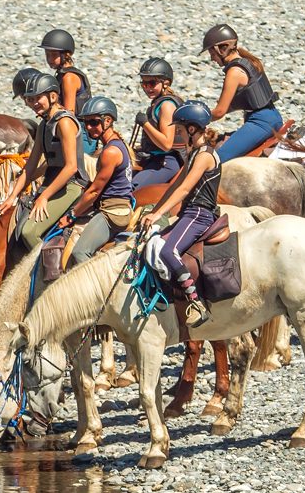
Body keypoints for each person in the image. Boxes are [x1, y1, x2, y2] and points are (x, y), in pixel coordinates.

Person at [134, 100, 222, 328]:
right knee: (151, 244)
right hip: (189, 213)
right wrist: (154, 210)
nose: (179, 136)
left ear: (192, 129)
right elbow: (174, 186)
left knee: (167, 251)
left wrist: (158, 215)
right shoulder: (193, 153)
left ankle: (196, 303)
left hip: (200, 214)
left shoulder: (204, 155)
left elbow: (184, 189)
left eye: (181, 131)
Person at [3, 70, 85, 286]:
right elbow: (31, 167)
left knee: (29, 231)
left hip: (71, 186)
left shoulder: (65, 122)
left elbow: (70, 167)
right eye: (29, 99)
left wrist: (44, 197)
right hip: (52, 183)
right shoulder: (43, 125)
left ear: (53, 96)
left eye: (37, 98)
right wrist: (11, 196)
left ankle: (53, 283)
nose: (33, 103)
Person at [62, 94, 135, 267]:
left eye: (94, 122)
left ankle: (95, 293)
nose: (88, 127)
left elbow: (95, 191)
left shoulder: (110, 152)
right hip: (113, 206)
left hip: (112, 212)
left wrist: (72, 214)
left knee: (80, 251)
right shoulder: (115, 144)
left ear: (108, 121)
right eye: (86, 122)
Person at [201, 23, 283, 162]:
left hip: (260, 122)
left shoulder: (234, 72)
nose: (212, 58)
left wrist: (196, 119)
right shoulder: (248, 62)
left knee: (216, 160)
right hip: (272, 116)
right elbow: (233, 105)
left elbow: (220, 112)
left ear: (222, 49)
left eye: (212, 53)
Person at [131, 56, 183, 185]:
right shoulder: (158, 103)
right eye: (144, 83)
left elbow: (166, 144)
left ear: (166, 83)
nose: (147, 88)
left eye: (152, 83)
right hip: (155, 158)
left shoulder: (167, 106)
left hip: (166, 162)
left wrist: (145, 123)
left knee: (129, 191)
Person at [38, 29, 89, 150]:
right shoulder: (61, 75)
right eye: (47, 54)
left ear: (66, 55)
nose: (49, 59)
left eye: (53, 55)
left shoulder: (68, 78)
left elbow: (69, 112)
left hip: (79, 132)